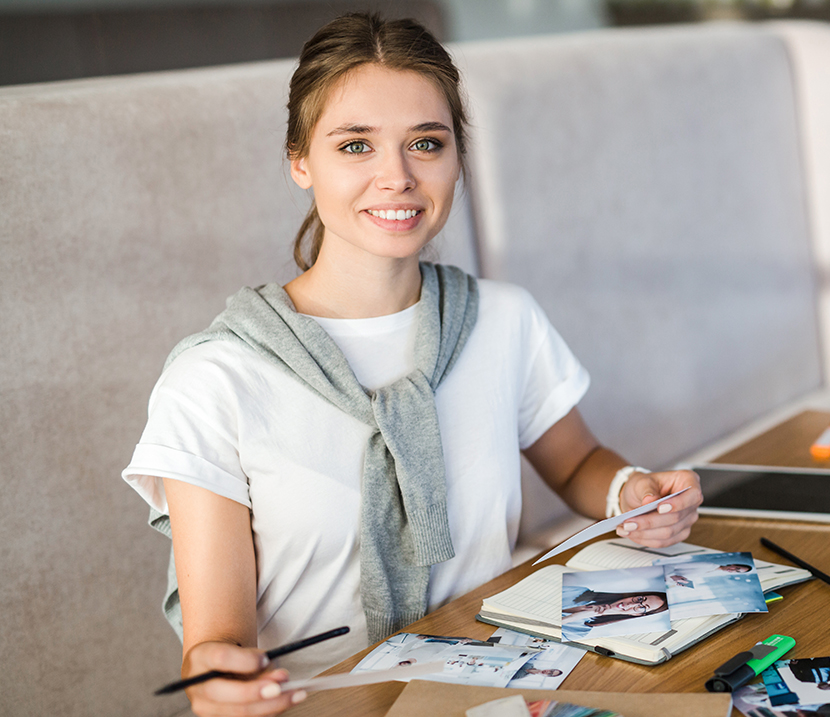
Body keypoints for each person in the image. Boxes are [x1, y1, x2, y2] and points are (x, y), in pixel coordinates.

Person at [120, 13, 702, 717]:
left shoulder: (504, 319)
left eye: (426, 143)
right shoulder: (215, 379)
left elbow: (577, 463)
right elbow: (217, 640)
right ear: (299, 161)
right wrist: (217, 675)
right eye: (355, 145)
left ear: (458, 157)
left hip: (495, 687)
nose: (396, 177)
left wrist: (632, 493)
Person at [560, 587, 670, 629]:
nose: (630, 605)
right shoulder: (580, 591)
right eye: (640, 599)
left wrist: (574, 617)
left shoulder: (583, 628)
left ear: (638, 614)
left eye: (642, 607)